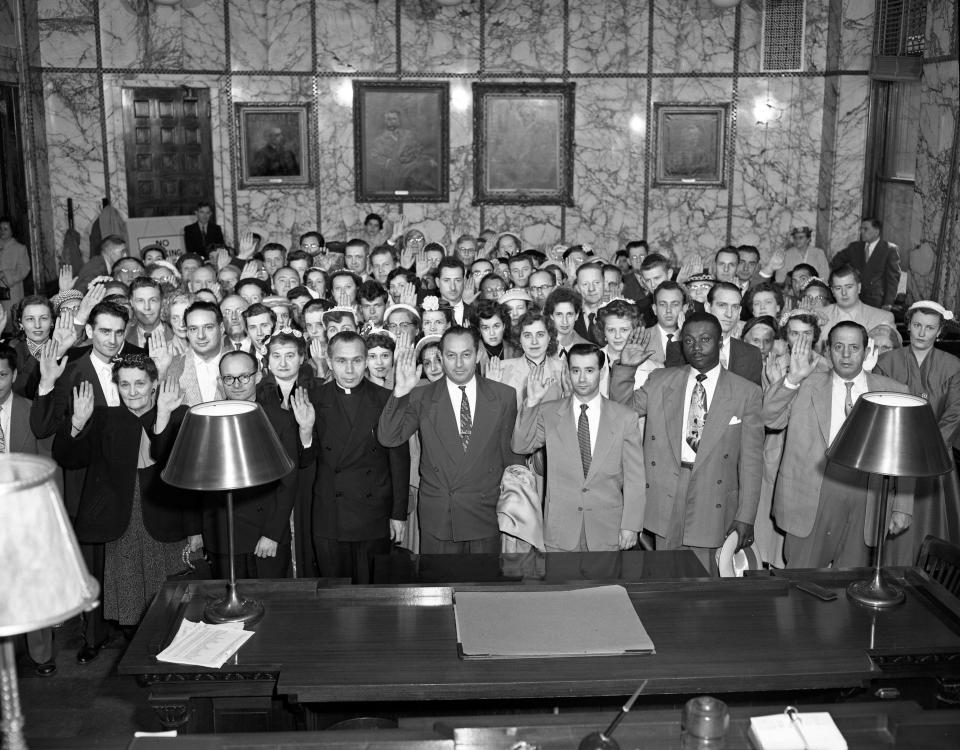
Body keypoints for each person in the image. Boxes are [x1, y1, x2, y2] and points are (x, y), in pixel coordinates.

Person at [54, 354, 200, 657]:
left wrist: (194, 530)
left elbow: (180, 471)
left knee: (169, 602)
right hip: (122, 521)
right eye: (124, 384)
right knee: (132, 599)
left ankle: (168, 655)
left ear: (154, 384)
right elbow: (68, 458)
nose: (132, 392)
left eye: (139, 384)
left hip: (164, 518)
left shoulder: (178, 414)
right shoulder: (106, 418)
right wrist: (77, 422)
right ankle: (142, 657)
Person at [610, 312, 764, 573]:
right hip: (665, 486)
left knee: (705, 577)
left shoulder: (746, 392)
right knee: (664, 575)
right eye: (689, 341)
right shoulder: (661, 380)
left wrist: (745, 516)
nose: (696, 347)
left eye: (705, 339)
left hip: (712, 491)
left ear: (720, 342)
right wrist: (626, 368)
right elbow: (621, 411)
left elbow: (751, 462)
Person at [762, 321, 913, 568]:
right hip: (812, 492)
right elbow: (770, 418)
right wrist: (792, 379)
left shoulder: (894, 391)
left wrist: (902, 506)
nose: (846, 354)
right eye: (839, 347)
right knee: (802, 579)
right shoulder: (805, 384)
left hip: (869, 494)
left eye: (854, 347)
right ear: (828, 349)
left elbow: (905, 454)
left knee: (851, 585)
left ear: (866, 351)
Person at [378, 326, 522, 553]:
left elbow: (511, 457)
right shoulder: (421, 395)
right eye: (451, 356)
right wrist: (400, 392)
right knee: (440, 585)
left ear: (478, 355)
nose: (459, 364)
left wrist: (512, 511)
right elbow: (389, 437)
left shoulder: (504, 395)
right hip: (440, 517)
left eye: (466, 355)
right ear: (442, 358)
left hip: (484, 513)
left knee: (482, 588)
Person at [512, 344, 644, 552]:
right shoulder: (549, 412)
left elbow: (635, 478)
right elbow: (521, 446)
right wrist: (532, 402)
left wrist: (631, 525)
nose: (582, 378)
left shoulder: (625, 417)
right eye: (576, 370)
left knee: (606, 586)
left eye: (589, 370)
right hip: (560, 530)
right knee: (562, 585)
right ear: (568, 372)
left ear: (601, 373)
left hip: (607, 529)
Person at [314, 332, 409, 582]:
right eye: (341, 361)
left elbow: (399, 463)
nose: (349, 369)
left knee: (374, 597)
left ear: (366, 360)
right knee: (334, 599)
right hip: (330, 517)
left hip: (374, 514)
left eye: (356, 360)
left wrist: (398, 514)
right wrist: (304, 432)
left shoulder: (386, 399)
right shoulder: (313, 400)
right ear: (329, 361)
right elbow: (304, 462)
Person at [874, 301, 960, 562]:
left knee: (930, 524)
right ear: (908, 326)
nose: (922, 333)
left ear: (939, 332)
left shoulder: (953, 365)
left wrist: (928, 448)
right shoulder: (887, 360)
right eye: (917, 325)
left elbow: (955, 413)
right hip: (892, 452)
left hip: (934, 456)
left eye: (930, 328)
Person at [665, 282, 763, 387]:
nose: (729, 314)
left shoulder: (752, 354)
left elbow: (754, 399)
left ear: (739, 311)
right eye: (722, 305)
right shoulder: (679, 350)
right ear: (707, 307)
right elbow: (672, 393)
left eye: (734, 307)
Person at [831, 218, 901, 310]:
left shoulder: (889, 249)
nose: (862, 232)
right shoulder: (855, 247)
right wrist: (848, 274)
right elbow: (836, 261)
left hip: (876, 301)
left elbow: (893, 279)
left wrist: (888, 302)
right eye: (861, 229)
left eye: (866, 229)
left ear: (876, 231)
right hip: (855, 297)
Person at [818, 265, 894, 343]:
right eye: (838, 288)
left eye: (849, 287)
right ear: (832, 291)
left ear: (859, 287)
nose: (844, 293)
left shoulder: (882, 318)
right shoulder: (818, 315)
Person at [0, 217, 31, 330]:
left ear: (12, 231)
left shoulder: (20, 248)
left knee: (11, 321)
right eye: (0, 228)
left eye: (5, 228)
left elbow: (24, 269)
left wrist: (5, 274)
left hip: (12, 292)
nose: (2, 231)